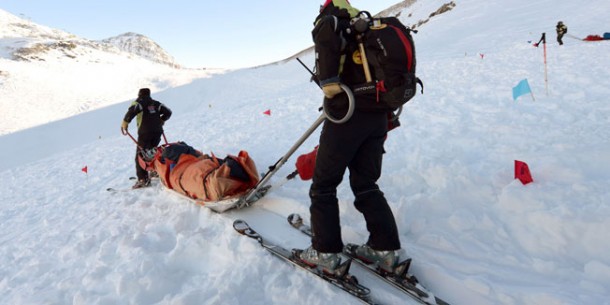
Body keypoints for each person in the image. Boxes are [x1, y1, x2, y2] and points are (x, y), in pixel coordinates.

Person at [295, 0, 402, 274]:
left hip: (348, 113)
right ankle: (384, 249)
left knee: (323, 185)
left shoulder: (332, 20)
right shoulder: (366, 27)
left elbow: (329, 82)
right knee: (366, 182)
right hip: (380, 113)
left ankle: (325, 252)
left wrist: (331, 89)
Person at [121, 88, 172, 188]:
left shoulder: (139, 102)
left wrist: (125, 122)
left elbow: (132, 111)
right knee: (153, 152)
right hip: (157, 132)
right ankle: (155, 171)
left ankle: (143, 179)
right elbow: (168, 112)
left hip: (145, 133)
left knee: (140, 156)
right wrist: (162, 120)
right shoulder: (156, 103)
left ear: (139, 94)